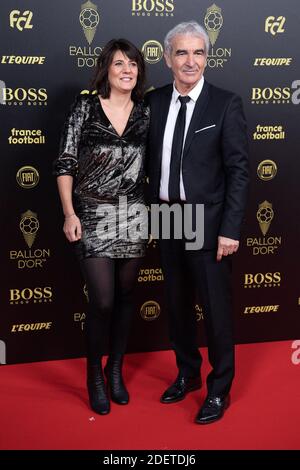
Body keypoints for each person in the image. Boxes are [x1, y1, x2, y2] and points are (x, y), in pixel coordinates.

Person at [146, 21, 249, 424]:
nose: (191, 61)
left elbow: (239, 171)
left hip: (209, 221)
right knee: (177, 305)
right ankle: (187, 373)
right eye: (183, 53)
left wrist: (229, 228)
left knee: (217, 311)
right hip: (169, 217)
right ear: (168, 58)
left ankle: (219, 390)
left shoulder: (226, 103)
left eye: (199, 53)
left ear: (208, 57)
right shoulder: (153, 102)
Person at [53, 39, 149, 415]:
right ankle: (94, 375)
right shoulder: (85, 107)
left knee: (126, 296)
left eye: (133, 64)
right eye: (119, 63)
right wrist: (69, 213)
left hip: (135, 214)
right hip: (92, 212)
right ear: (105, 69)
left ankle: (115, 372)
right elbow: (64, 162)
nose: (127, 70)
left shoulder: (146, 112)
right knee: (104, 300)